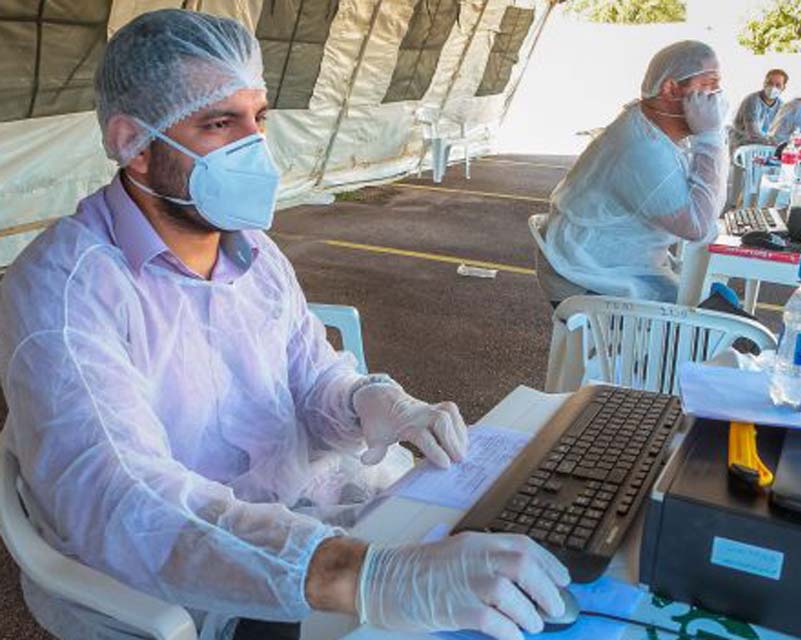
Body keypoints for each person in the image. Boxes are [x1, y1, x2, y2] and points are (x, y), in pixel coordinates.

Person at [0, 10, 569, 640]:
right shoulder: (63, 290)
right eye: (220, 124)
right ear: (134, 144)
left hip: (301, 526)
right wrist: (366, 577)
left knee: (512, 572)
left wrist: (371, 403)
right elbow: (122, 499)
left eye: (259, 118)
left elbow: (310, 375)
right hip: (183, 576)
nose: (255, 148)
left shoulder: (253, 251)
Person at [538, 40, 729, 303]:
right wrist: (710, 137)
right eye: (709, 84)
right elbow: (697, 225)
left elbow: (707, 209)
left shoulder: (653, 129)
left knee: (721, 301)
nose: (716, 96)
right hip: (589, 278)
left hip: (608, 266)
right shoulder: (643, 148)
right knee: (722, 318)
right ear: (671, 89)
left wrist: (710, 137)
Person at [730, 68, 789, 149]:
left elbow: (780, 132)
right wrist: (773, 142)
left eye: (778, 85)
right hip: (742, 145)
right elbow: (753, 133)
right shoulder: (752, 101)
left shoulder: (781, 106)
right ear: (764, 83)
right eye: (770, 83)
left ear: (783, 88)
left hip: (762, 146)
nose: (773, 87)